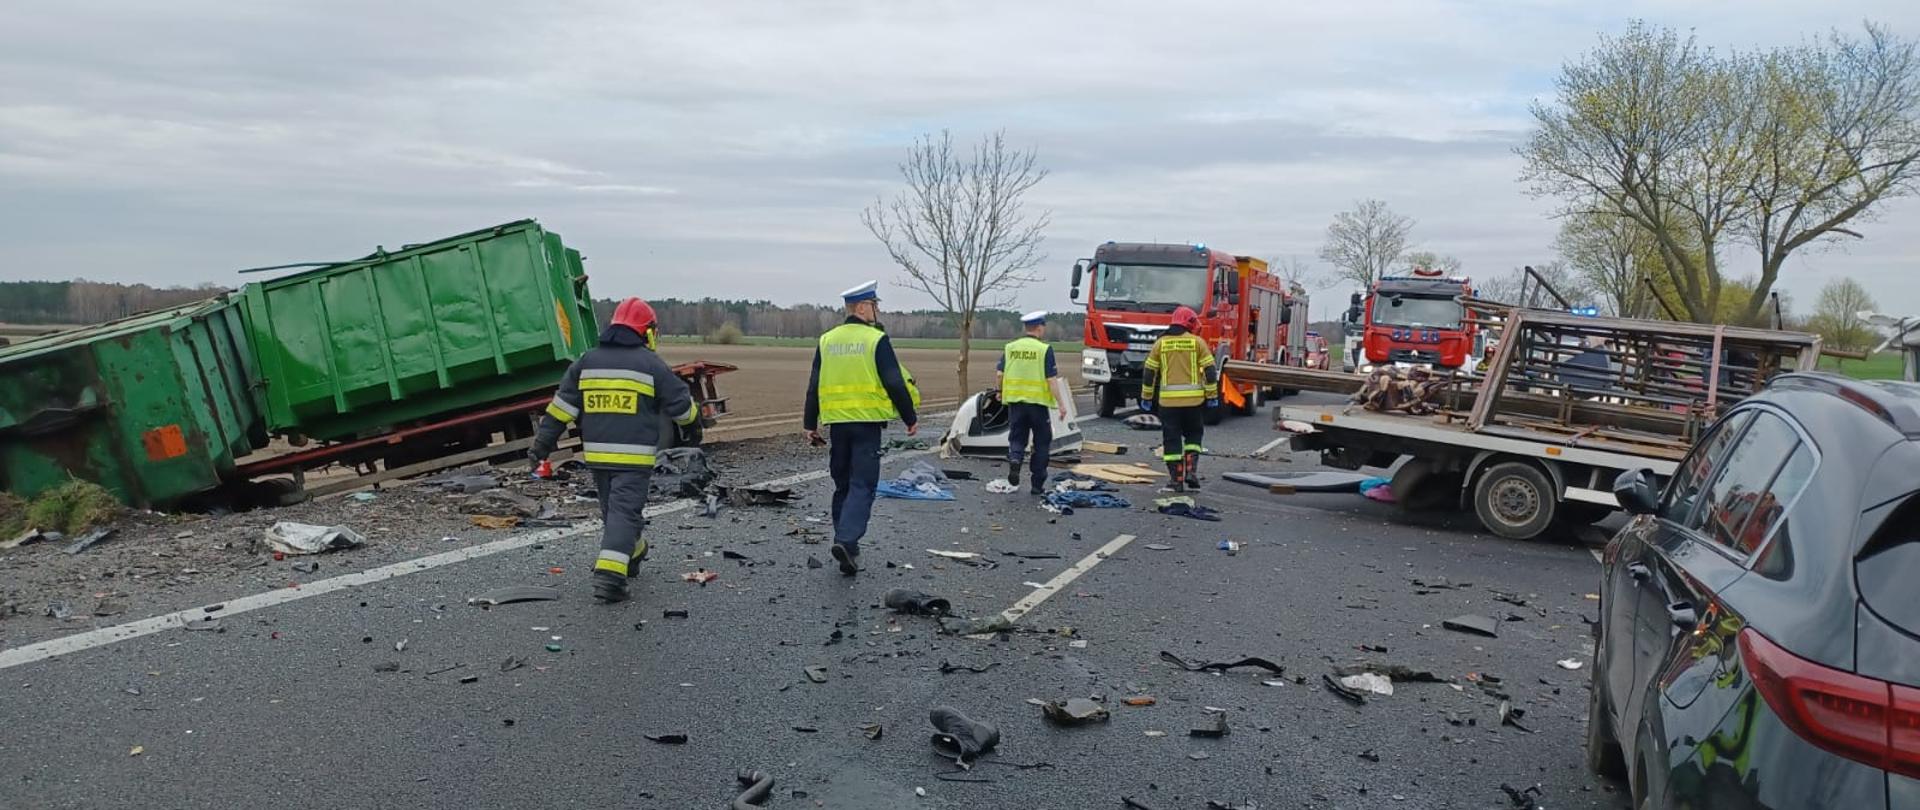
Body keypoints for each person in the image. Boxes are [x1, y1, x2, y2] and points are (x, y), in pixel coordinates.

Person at [531, 297, 702, 603]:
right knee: (624, 513)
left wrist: (541, 446)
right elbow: (683, 409)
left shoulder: (586, 361)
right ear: (646, 332)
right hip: (632, 460)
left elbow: (560, 410)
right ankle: (609, 577)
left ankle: (634, 551)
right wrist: (693, 427)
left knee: (615, 515)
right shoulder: (651, 365)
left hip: (597, 458)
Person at [804, 281, 919, 576]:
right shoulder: (875, 339)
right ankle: (846, 539)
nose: (876, 310)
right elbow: (894, 380)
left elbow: (814, 384)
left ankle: (847, 544)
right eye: (874, 305)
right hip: (866, 424)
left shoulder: (827, 340)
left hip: (837, 424)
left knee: (843, 484)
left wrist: (809, 423)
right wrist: (909, 417)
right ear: (861, 307)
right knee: (863, 485)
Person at [1139, 305, 1217, 491]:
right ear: (1189, 323)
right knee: (1194, 435)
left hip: (1168, 404)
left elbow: (1149, 373)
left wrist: (1146, 397)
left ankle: (1176, 480)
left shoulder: (1160, 344)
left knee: (1171, 439)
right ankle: (1191, 471)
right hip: (1194, 402)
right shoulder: (1197, 342)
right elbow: (1210, 371)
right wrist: (1212, 395)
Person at [996, 310, 1070, 495]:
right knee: (1042, 443)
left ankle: (1015, 460)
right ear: (1039, 327)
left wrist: (1000, 391)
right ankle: (1037, 485)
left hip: (1016, 403)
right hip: (1038, 404)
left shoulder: (1010, 347)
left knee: (1017, 437)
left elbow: (999, 374)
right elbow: (1051, 380)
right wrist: (1061, 404)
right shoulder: (1044, 349)